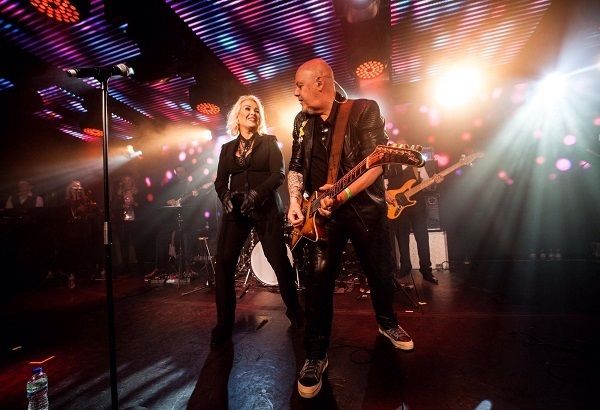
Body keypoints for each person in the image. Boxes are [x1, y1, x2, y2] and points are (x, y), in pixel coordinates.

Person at [287, 58, 414, 399]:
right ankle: (315, 354)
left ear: (321, 82)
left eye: (300, 85)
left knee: (380, 272)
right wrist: (295, 200)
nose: (296, 92)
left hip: (364, 209)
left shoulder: (363, 110)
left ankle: (387, 323)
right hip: (320, 215)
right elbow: (295, 165)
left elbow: (377, 163)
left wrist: (341, 194)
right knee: (317, 283)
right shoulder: (301, 121)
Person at [212, 94, 303, 348]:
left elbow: (279, 174)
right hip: (237, 211)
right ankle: (224, 324)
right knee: (224, 264)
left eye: (256, 110)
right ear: (238, 116)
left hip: (265, 209)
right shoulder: (227, 148)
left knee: (279, 262)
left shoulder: (269, 142)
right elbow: (220, 181)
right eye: (247, 109)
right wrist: (224, 196)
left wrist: (256, 193)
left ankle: (296, 313)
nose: (252, 113)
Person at [385, 163, 443, 284]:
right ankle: (405, 267)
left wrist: (435, 182)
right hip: (398, 207)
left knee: (422, 238)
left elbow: (427, 184)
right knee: (402, 239)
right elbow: (383, 186)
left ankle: (426, 270)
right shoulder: (389, 165)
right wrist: (385, 194)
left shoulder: (417, 164)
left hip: (418, 207)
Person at [113, 174, 144, 275]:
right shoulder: (118, 194)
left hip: (135, 221)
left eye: (129, 180)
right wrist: (123, 206)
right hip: (123, 222)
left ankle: (140, 265)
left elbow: (144, 205)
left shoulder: (137, 192)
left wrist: (134, 204)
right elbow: (114, 207)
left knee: (137, 243)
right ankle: (125, 267)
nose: (127, 182)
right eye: (125, 180)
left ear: (132, 181)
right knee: (124, 244)